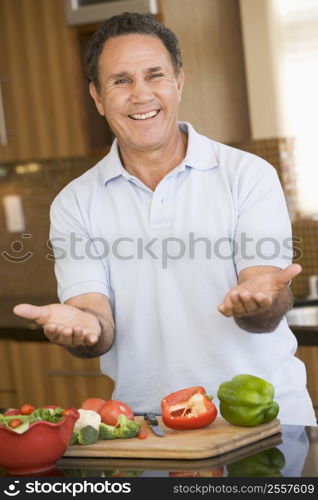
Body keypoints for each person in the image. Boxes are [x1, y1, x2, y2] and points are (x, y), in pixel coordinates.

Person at [14, 12, 316, 425]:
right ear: (98, 98)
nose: (141, 95)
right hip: (151, 427)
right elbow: (95, 320)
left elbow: (263, 292)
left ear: (179, 83)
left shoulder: (247, 175)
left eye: (155, 75)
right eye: (121, 80)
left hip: (266, 420)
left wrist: (260, 299)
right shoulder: (75, 202)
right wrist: (81, 327)